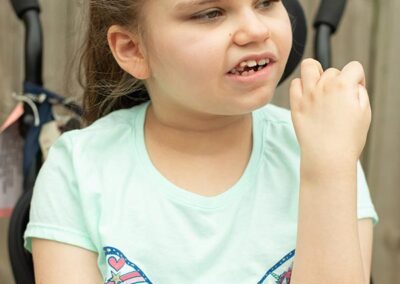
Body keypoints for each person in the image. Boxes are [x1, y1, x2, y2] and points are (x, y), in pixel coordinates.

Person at [23, 0, 379, 283]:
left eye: (266, 2)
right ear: (133, 49)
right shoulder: (77, 170)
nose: (255, 29)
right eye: (210, 13)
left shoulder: (327, 148)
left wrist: (328, 167)